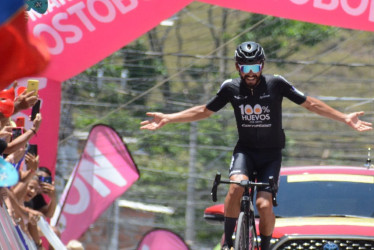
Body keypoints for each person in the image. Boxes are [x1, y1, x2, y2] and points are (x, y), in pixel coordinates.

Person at [140, 41, 373, 250]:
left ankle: (264, 246)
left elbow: (310, 103)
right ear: (237, 67)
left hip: (271, 155)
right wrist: (169, 118)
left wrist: (343, 117)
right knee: (236, 186)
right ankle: (229, 243)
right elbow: (204, 111)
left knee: (263, 204)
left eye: (255, 67)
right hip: (246, 151)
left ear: (262, 65)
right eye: (245, 68)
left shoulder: (276, 84)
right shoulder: (230, 88)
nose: (250, 73)